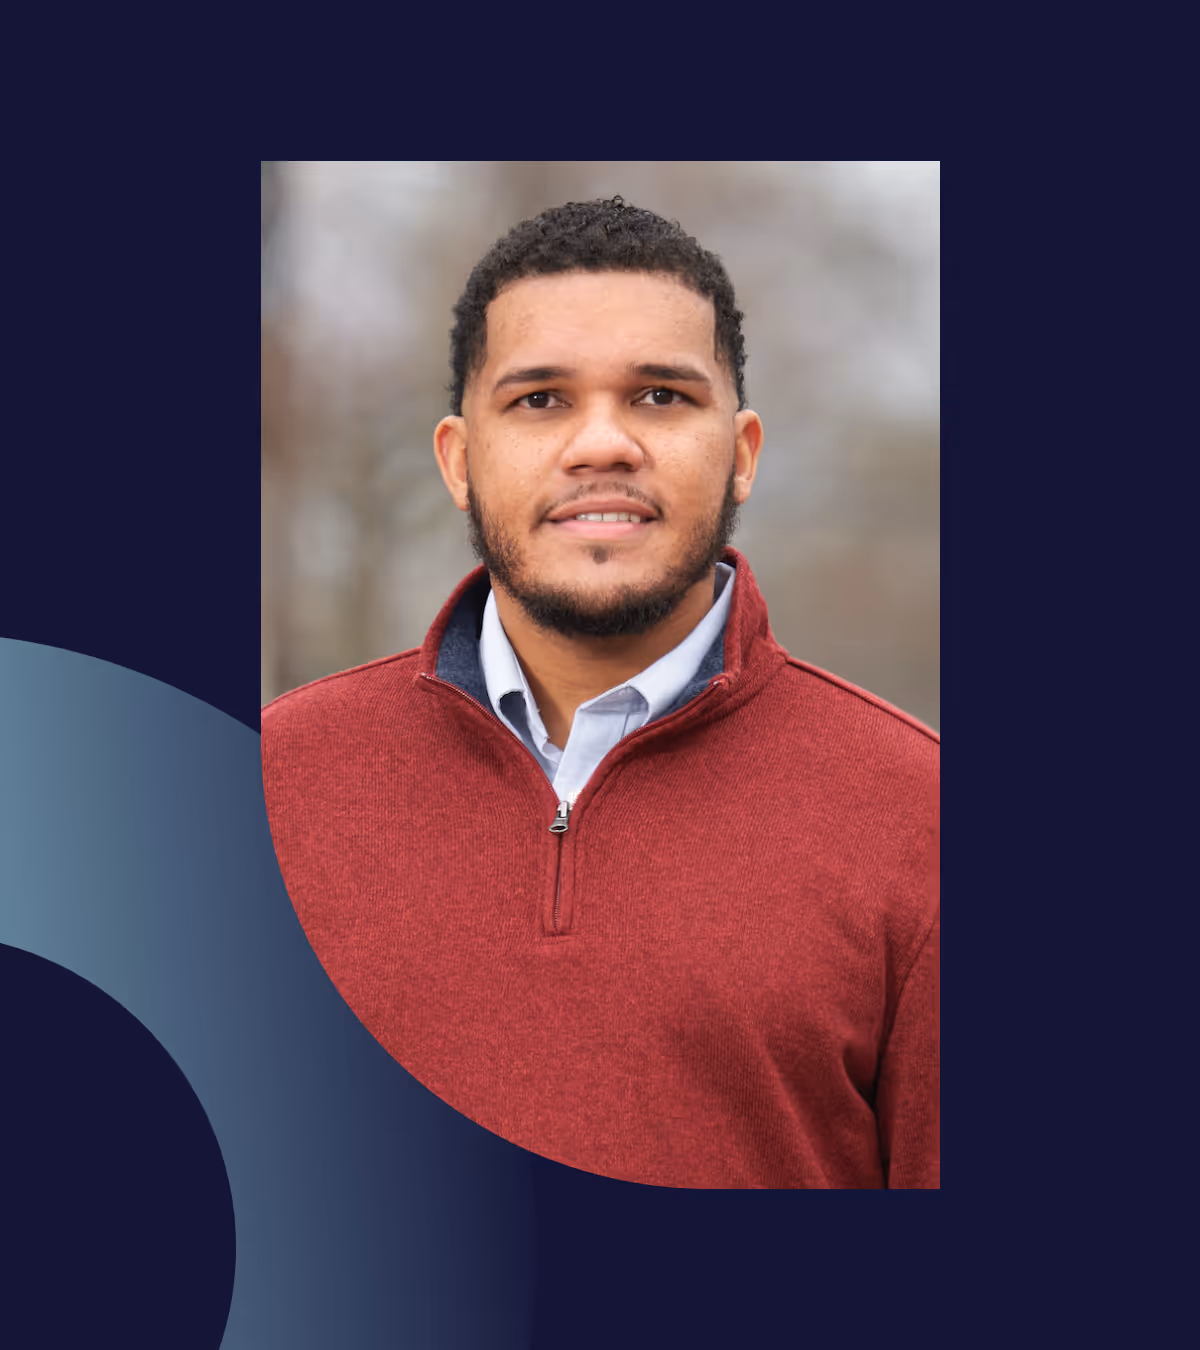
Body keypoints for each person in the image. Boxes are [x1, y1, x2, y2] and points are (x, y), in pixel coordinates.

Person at [262, 197, 940, 1189]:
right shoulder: (264, 782)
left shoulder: (921, 816)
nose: (602, 445)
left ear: (742, 452)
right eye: (540, 399)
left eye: (661, 396)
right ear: (458, 460)